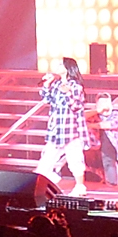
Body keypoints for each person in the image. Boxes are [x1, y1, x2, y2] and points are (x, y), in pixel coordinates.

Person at [35, 58, 89, 194]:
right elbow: (46, 100)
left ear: (68, 67)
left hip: (71, 130)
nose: (57, 66)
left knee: (75, 160)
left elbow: (77, 106)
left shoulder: (76, 86)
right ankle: (40, 187)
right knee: (46, 160)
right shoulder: (56, 84)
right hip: (56, 129)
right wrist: (47, 85)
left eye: (61, 64)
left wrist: (68, 93)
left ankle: (80, 187)